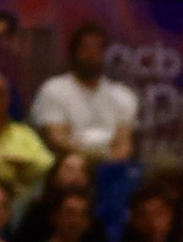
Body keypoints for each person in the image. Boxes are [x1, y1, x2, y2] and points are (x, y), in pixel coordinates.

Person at [28, 24, 138, 162]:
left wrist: (107, 161)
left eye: (97, 50)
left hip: (110, 166)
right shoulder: (54, 89)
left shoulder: (123, 95)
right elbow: (56, 138)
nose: (91, 55)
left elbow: (123, 143)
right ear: (74, 53)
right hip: (66, 162)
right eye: (86, 49)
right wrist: (90, 160)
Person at [0, 70, 53, 196]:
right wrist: (6, 164)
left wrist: (25, 165)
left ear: (8, 98)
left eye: (0, 93)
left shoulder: (22, 132)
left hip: (20, 196)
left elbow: (46, 162)